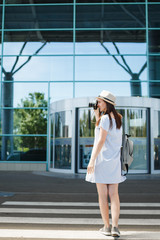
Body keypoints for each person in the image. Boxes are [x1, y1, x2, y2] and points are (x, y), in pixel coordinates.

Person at [85, 90, 126, 237]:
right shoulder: (118, 118)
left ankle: (106, 227)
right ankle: (115, 227)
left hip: (102, 161)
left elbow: (101, 141)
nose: (98, 104)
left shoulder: (105, 119)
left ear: (107, 104)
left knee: (102, 196)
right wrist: (97, 115)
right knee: (114, 194)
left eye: (100, 102)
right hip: (115, 161)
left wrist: (91, 161)